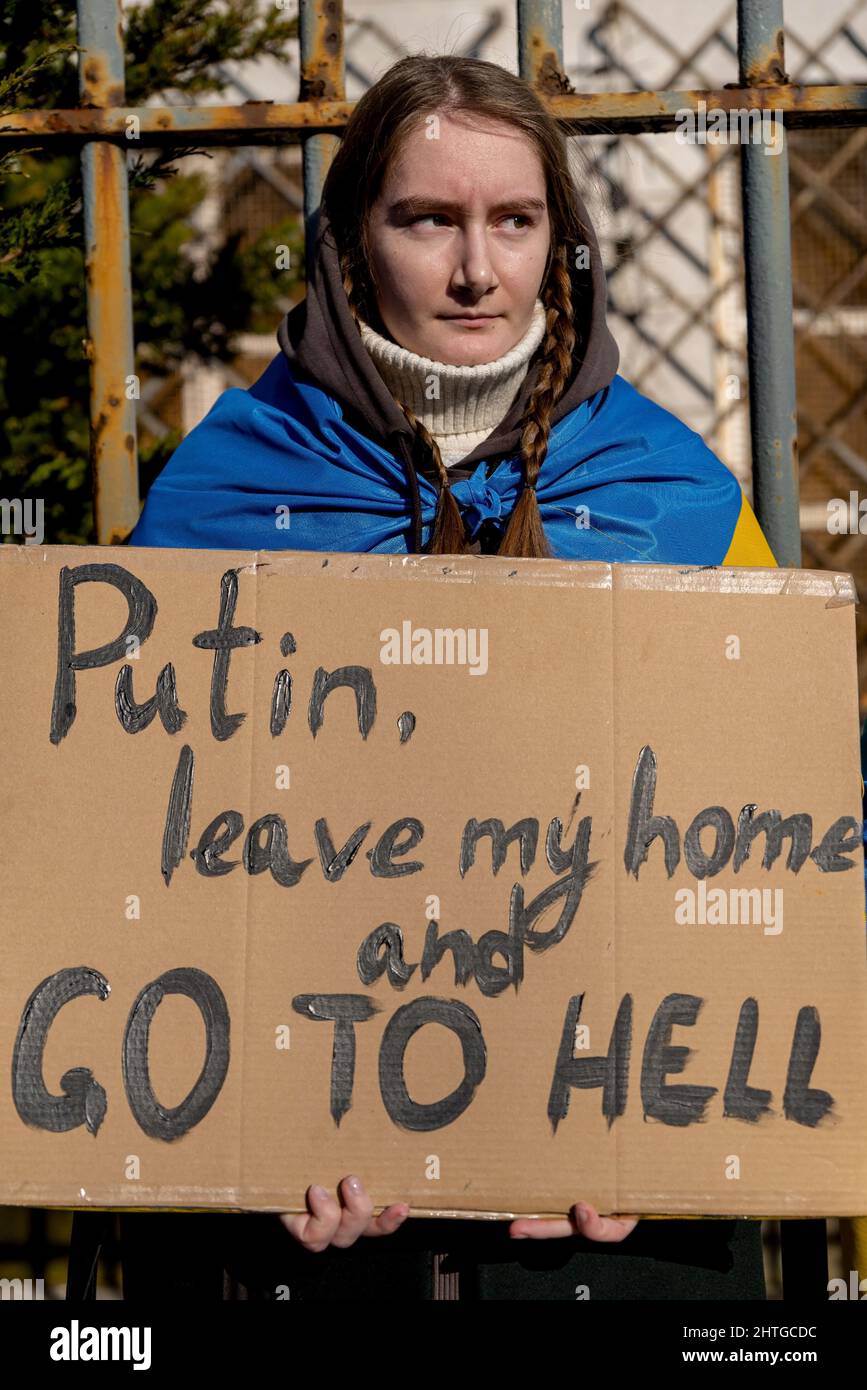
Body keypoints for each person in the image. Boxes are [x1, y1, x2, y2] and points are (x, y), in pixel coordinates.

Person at [118, 53, 863, 1301]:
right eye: (427, 220)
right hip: (305, 1257)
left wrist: (663, 1153)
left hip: (617, 1255)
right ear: (353, 242)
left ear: (558, 244)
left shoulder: (671, 496)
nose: (477, 270)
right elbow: (139, 862)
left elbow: (772, 863)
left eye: (514, 222)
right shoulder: (223, 493)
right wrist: (254, 1150)